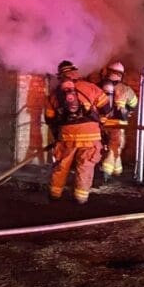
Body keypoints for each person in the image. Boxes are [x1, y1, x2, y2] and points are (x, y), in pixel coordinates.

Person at [45, 62, 112, 205]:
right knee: (85, 166)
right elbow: (106, 107)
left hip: (67, 136)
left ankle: (54, 194)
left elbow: (49, 119)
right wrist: (101, 121)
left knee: (61, 165)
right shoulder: (90, 87)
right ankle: (81, 198)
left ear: (60, 76)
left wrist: (58, 135)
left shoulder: (55, 94)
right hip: (91, 136)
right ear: (76, 73)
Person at [97, 61, 138, 182]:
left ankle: (117, 170)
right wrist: (127, 111)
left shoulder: (99, 86)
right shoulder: (126, 89)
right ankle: (106, 173)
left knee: (107, 147)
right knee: (114, 148)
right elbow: (134, 104)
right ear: (121, 75)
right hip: (118, 125)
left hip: (102, 123)